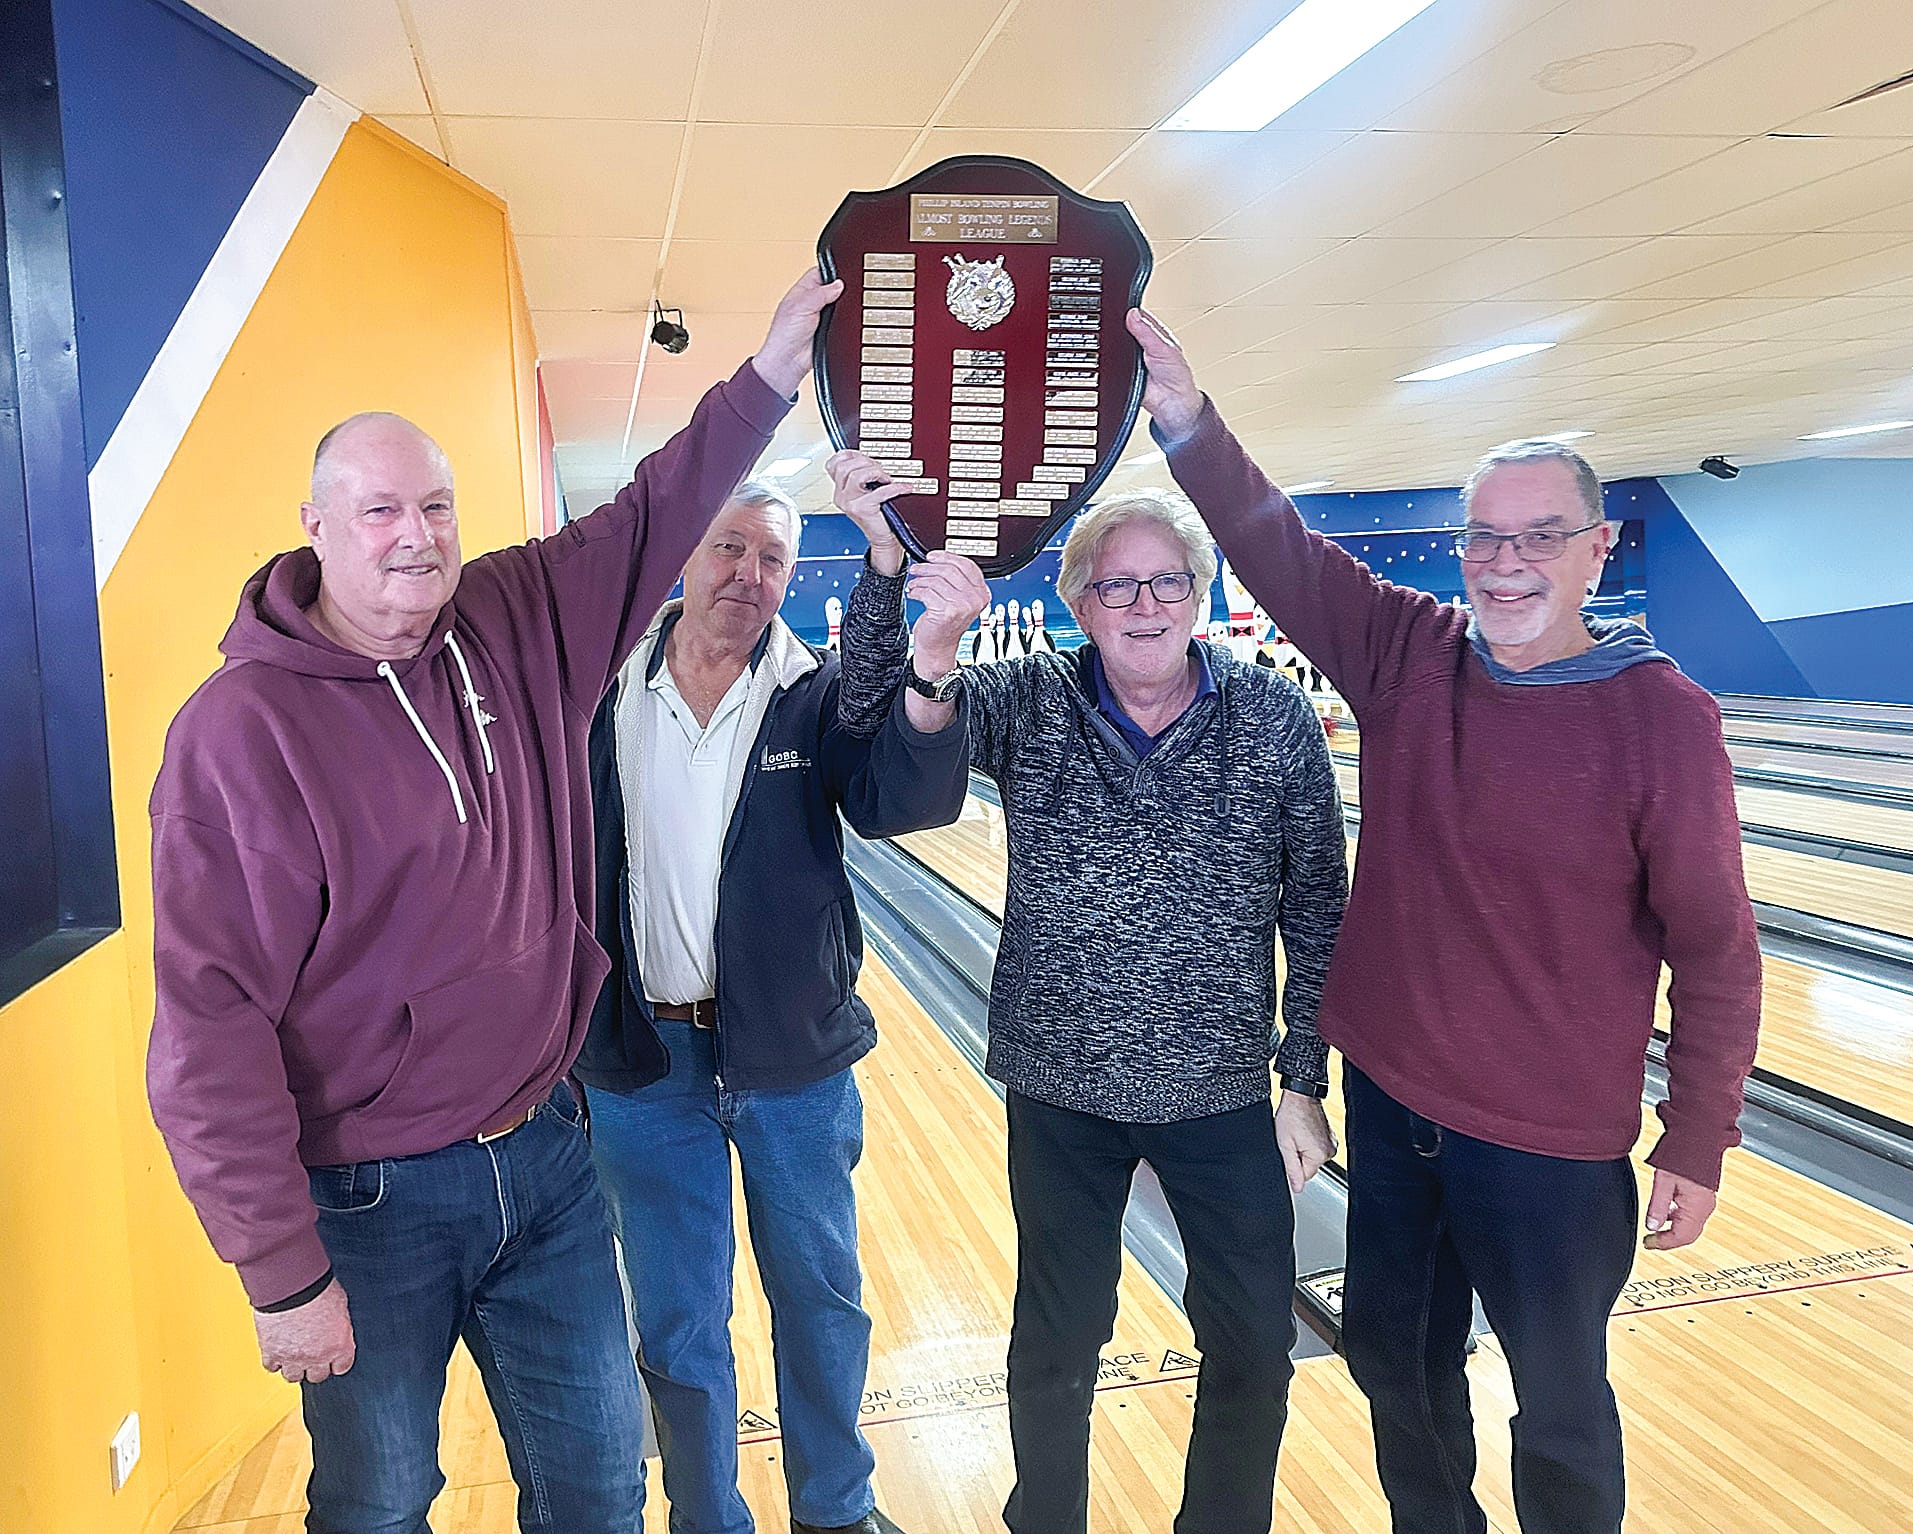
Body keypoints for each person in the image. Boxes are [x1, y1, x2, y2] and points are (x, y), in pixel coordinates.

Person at [145, 271, 839, 1533]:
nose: (413, 534)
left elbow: (647, 518)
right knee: (379, 1502)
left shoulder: (512, 620)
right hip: (367, 1199)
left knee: (594, 1489)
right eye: (376, 511)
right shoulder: (237, 734)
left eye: (434, 505)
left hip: (548, 1152)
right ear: (312, 522)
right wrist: (279, 1271)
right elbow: (206, 1024)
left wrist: (770, 376)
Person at [1126, 307, 1762, 1534]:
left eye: (1539, 536)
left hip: (1550, 1142)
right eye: (1482, 537)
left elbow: (1714, 945)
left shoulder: (1656, 716)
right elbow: (1280, 551)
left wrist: (1697, 1134)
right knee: (1392, 1367)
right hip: (1396, 1102)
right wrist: (1187, 424)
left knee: (1558, 1403)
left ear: (1597, 549)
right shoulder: (1410, 656)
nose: (1505, 561)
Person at [831, 451, 1349, 1534]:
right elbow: (878, 720)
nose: (1145, 604)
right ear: (1078, 604)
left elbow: (1317, 907)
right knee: (1056, 1342)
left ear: (1199, 595)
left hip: (1219, 1089)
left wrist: (1302, 1082)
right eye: (1116, 584)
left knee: (1253, 1339)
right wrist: (901, 598)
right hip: (1057, 1082)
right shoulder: (1030, 698)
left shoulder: (1271, 718)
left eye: (1167, 582)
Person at [575, 478, 984, 1534]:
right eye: (728, 548)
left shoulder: (811, 694)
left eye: (770, 559)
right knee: (677, 1324)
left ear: (789, 580)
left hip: (792, 1063)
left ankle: (833, 1509)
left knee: (820, 1304)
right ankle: (705, 1515)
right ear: (683, 556)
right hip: (642, 1064)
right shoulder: (602, 691)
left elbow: (897, 796)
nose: (746, 575)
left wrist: (913, 629)